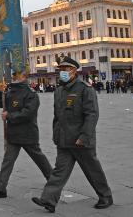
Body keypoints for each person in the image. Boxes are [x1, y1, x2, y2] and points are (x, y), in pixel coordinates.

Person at [32, 56, 113, 213]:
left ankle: (106, 196)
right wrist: (57, 135)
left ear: (74, 71)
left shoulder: (85, 89)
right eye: (61, 69)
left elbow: (92, 114)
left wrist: (84, 136)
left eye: (66, 69)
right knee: (59, 172)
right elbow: (58, 116)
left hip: (80, 141)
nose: (62, 72)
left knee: (92, 170)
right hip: (64, 140)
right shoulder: (59, 91)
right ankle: (49, 200)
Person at [0, 71, 52, 198]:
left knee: (40, 160)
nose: (14, 76)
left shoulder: (30, 94)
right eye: (13, 74)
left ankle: (54, 182)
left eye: (16, 74)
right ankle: (1, 188)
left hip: (27, 134)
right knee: (7, 162)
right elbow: (1, 103)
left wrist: (9, 116)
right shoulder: (10, 91)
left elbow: (28, 113)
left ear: (24, 77)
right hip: (13, 134)